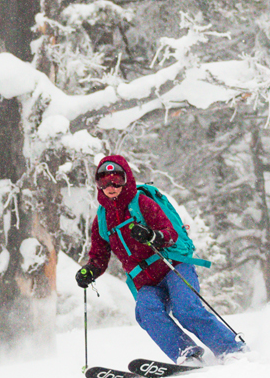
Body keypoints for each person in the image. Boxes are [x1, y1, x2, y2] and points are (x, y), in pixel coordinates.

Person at [74, 154, 244, 365]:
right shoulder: (101, 218)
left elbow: (170, 232)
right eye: (104, 180)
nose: (111, 185)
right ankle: (187, 354)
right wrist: (90, 270)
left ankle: (232, 349)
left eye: (116, 179)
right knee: (146, 313)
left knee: (186, 309)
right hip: (146, 281)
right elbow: (99, 256)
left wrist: (151, 236)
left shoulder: (141, 202)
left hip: (173, 266)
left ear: (126, 179)